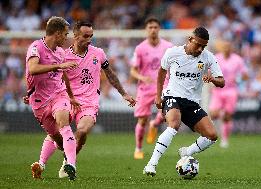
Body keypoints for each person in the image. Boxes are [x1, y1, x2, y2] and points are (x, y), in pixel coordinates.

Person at [57, 21, 136, 178]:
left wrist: (124, 93)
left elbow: (110, 74)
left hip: (89, 103)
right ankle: (45, 161)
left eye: (91, 36)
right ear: (75, 36)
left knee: (82, 131)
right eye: (86, 36)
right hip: (68, 100)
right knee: (56, 135)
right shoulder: (63, 55)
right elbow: (52, 78)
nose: (89, 39)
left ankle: (68, 162)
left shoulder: (98, 53)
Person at [143, 27, 225, 176]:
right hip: (172, 96)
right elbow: (161, 71)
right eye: (198, 44)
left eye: (204, 46)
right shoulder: (172, 53)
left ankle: (187, 151)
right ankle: (151, 164)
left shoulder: (208, 57)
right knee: (174, 124)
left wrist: (212, 79)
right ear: (190, 39)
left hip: (192, 103)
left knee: (212, 135)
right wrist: (158, 95)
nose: (200, 49)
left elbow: (222, 81)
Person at [26, 16, 79, 180]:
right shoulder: (36, 47)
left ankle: (71, 164)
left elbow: (64, 77)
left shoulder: (61, 52)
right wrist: (28, 93)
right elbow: (33, 69)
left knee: (63, 122)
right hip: (40, 103)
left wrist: (71, 96)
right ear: (56, 34)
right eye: (65, 34)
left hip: (58, 95)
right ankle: (42, 163)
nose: (66, 37)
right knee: (57, 139)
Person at [130, 17, 173, 159]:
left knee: (167, 112)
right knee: (142, 120)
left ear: (159, 29)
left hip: (164, 85)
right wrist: (142, 78)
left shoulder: (168, 47)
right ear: (146, 30)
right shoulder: (140, 48)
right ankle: (138, 149)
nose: (153, 30)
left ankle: (154, 123)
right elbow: (133, 70)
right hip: (145, 88)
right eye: (150, 27)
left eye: (155, 27)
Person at [209, 39, 248, 148]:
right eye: (225, 46)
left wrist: (238, 79)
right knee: (213, 114)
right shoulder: (216, 57)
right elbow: (209, 71)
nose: (226, 48)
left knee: (227, 117)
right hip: (218, 90)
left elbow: (245, 75)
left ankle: (224, 139)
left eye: (228, 46)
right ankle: (221, 114)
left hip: (231, 90)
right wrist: (211, 81)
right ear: (222, 48)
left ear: (231, 48)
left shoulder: (238, 59)